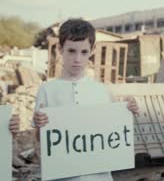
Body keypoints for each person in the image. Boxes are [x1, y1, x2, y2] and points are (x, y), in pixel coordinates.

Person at [32, 18, 139, 181]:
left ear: (92, 50)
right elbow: (42, 138)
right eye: (71, 51)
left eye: (83, 52)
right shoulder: (46, 90)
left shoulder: (103, 91)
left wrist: (127, 111)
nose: (77, 59)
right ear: (60, 49)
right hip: (62, 176)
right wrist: (40, 126)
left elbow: (112, 136)